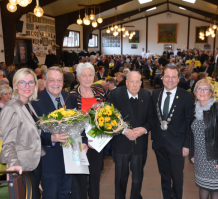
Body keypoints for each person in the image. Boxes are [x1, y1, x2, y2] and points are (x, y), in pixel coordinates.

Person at [31, 67, 80, 199]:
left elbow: (78, 124)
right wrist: (51, 137)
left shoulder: (69, 97)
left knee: (65, 194)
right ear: (44, 81)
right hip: (50, 160)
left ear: (63, 82)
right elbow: (31, 133)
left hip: (69, 158)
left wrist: (83, 143)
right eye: (52, 80)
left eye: (59, 80)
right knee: (51, 195)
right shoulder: (34, 102)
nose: (56, 83)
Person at [0, 68, 45, 199]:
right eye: (22, 82)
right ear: (15, 85)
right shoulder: (11, 108)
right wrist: (14, 163)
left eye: (31, 82)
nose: (27, 86)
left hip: (34, 162)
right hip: (22, 165)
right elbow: (7, 142)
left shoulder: (27, 105)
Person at [150, 65, 194, 199]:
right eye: (167, 76)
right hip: (159, 143)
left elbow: (189, 122)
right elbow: (152, 117)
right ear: (162, 77)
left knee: (177, 177)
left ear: (179, 78)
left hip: (177, 145)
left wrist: (187, 144)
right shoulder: (155, 94)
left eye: (173, 77)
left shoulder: (187, 96)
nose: (170, 80)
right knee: (164, 175)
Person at [109, 71, 152, 199]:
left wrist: (144, 129)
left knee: (138, 178)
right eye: (131, 81)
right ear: (126, 82)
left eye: (138, 81)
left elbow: (152, 118)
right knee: (121, 178)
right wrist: (123, 130)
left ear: (141, 83)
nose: (134, 85)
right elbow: (108, 117)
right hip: (121, 143)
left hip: (140, 144)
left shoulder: (147, 95)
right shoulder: (115, 94)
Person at [190, 79, 218, 199]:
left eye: (205, 89)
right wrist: (192, 153)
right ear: (195, 92)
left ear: (211, 92)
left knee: (214, 190)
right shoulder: (193, 110)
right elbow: (192, 135)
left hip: (214, 157)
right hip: (199, 157)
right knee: (203, 187)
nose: (202, 91)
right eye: (199, 88)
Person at [70, 62, 106, 199]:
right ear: (78, 77)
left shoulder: (100, 92)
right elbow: (70, 121)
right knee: (81, 178)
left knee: (95, 176)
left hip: (97, 140)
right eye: (84, 75)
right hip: (80, 141)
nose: (87, 78)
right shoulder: (72, 95)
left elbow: (106, 114)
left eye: (90, 75)